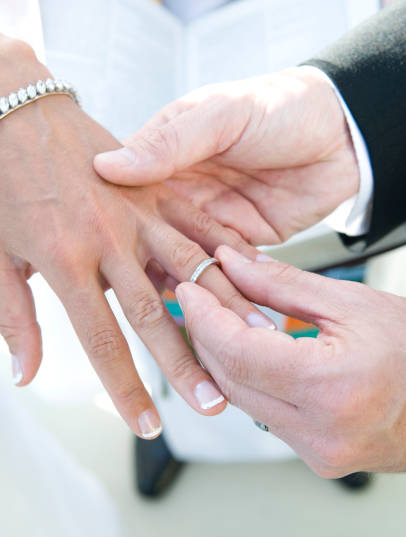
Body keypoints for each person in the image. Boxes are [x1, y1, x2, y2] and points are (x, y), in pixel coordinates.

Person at [94, 1, 406, 477]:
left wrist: (356, 123)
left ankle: (338, 415)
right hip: (130, 45)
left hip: (313, 39)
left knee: (328, 286)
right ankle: (181, 421)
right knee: (149, 271)